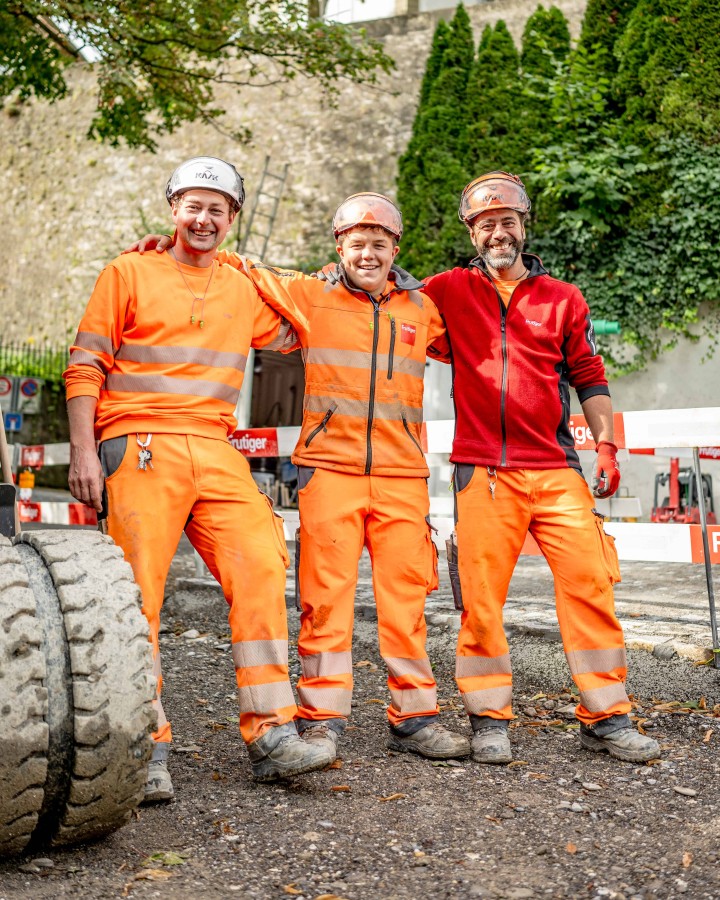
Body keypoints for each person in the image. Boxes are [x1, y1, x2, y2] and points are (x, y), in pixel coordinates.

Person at [131, 193, 471, 764]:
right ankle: (322, 720)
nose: (368, 254)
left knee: (406, 601)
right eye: (356, 244)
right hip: (329, 473)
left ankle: (416, 719)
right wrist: (167, 248)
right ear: (339, 247)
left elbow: (473, 341)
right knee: (324, 601)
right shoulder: (311, 294)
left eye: (379, 245)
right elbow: (238, 264)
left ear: (395, 249)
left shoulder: (423, 309)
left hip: (402, 475)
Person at [64, 157, 333, 802]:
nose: (203, 218)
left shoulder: (241, 288)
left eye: (217, 208)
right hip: (140, 445)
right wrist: (82, 455)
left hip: (215, 447)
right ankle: (144, 747)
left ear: (232, 218)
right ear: (172, 209)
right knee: (139, 598)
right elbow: (84, 368)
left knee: (263, 566)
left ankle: (270, 732)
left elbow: (299, 333)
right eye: (192, 205)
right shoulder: (127, 271)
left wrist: (252, 272)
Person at [420, 171, 661, 765]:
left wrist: (605, 446)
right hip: (484, 472)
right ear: (471, 232)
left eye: (507, 221)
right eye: (485, 224)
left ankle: (607, 717)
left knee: (591, 588)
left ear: (524, 226)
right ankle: (488, 719)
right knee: (481, 600)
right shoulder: (444, 291)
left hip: (557, 470)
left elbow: (589, 376)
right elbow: (379, 296)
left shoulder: (563, 298)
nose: (497, 232)